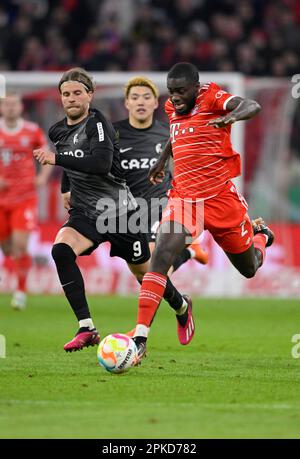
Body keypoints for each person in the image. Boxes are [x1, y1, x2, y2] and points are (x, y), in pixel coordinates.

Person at [33, 67, 196, 354]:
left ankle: (182, 305)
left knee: (147, 276)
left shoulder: (99, 124)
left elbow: (98, 163)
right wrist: (64, 188)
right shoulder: (57, 130)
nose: (71, 98)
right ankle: (86, 327)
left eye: (77, 93)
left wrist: (56, 159)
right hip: (86, 212)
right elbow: (72, 158)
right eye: (65, 94)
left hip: (119, 212)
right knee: (61, 250)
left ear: (89, 95)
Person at [132, 62, 274, 361]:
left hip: (221, 199)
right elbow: (176, 135)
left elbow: (252, 105)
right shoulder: (173, 107)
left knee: (249, 268)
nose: (175, 98)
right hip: (184, 199)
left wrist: (230, 118)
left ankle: (260, 235)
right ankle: (140, 338)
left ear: (196, 87)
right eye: (171, 92)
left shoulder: (213, 98)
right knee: (159, 257)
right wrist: (161, 162)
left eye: (181, 91)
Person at [113, 77, 208, 270]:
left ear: (156, 103)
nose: (141, 101)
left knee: (154, 266)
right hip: (127, 209)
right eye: (135, 97)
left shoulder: (169, 132)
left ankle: (176, 295)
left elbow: (188, 165)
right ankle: (189, 252)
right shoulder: (113, 134)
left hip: (161, 204)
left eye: (147, 97)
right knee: (144, 273)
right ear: (127, 102)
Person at [0, 93, 51, 310]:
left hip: (25, 197)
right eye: (7, 104)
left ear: (20, 107)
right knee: (9, 249)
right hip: (1, 200)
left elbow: (46, 154)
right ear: (2, 108)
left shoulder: (31, 131)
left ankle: (20, 291)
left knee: (21, 245)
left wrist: (42, 177)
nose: (11, 108)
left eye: (14, 104)